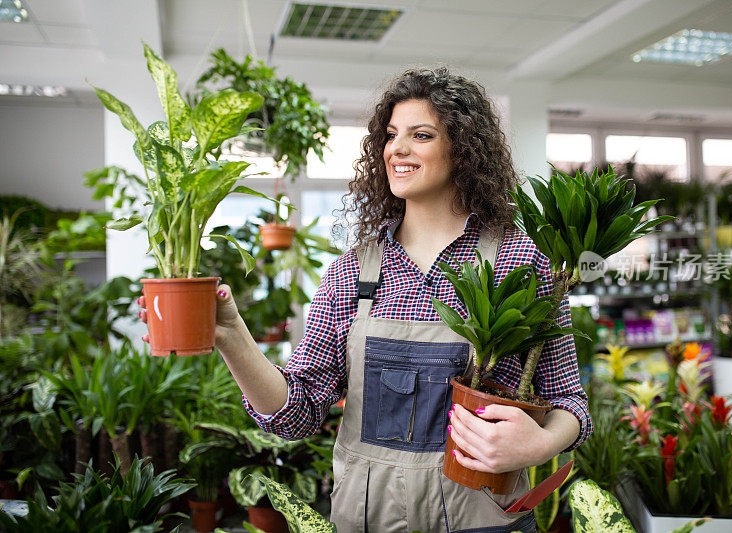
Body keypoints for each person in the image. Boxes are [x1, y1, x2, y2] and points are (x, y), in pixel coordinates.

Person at [139, 67, 591, 532]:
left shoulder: (522, 260)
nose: (397, 148)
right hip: (371, 520)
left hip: (483, 518)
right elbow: (295, 414)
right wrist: (232, 335)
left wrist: (537, 445)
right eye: (391, 135)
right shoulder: (351, 273)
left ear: (464, 148)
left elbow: (569, 402)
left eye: (421, 135)